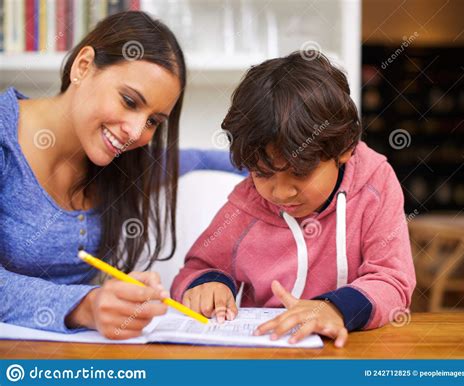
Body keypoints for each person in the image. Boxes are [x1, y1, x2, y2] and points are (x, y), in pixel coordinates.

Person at [0, 11, 237, 339]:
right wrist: (86, 305)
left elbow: (203, 158)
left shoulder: (127, 164)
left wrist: (319, 156)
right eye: (129, 101)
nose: (137, 132)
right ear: (83, 66)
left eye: (154, 121)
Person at [171, 51, 416, 347]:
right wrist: (207, 284)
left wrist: (335, 308)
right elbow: (198, 267)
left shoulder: (375, 185)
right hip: (265, 356)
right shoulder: (247, 203)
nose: (281, 193)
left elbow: (392, 280)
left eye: (299, 173)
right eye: (262, 174)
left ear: (345, 147)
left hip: (352, 354)